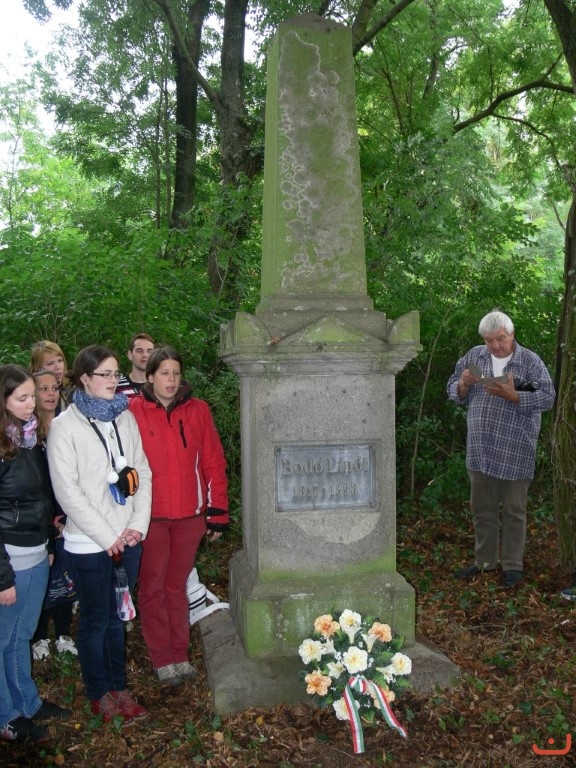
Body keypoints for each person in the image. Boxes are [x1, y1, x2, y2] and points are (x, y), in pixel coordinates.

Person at [46, 345, 152, 723]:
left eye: (115, 373)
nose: (112, 380)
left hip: (129, 538)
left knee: (116, 618)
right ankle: (99, 693)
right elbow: (68, 493)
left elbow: (142, 471)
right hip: (89, 543)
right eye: (104, 374)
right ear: (85, 379)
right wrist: (108, 537)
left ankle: (119, 688)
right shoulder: (64, 427)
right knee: (95, 620)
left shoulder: (125, 418)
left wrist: (138, 525)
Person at [129, 346, 228, 686]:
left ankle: (179, 653)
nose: (170, 380)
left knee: (176, 585)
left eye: (175, 373)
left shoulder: (198, 410)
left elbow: (213, 461)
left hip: (189, 517)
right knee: (152, 588)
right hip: (150, 519)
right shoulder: (133, 411)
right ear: (150, 376)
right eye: (164, 373)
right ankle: (162, 658)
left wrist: (217, 513)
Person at [447, 310, 555, 589]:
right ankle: (484, 562)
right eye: (489, 340)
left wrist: (515, 396)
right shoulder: (475, 357)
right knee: (482, 510)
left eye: (500, 339)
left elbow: (548, 396)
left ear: (511, 334)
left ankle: (512, 567)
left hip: (515, 449)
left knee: (514, 512)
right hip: (480, 449)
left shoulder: (529, 361)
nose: (495, 345)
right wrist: (463, 384)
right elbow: (452, 388)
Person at [0, 365, 71, 744]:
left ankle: (27, 703)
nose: (32, 404)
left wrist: (48, 544)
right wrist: (2, 578)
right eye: (22, 398)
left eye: (33, 395)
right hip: (10, 560)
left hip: (36, 552)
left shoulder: (29, 440)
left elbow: (42, 499)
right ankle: (6, 715)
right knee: (3, 639)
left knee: (22, 635)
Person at [31, 370, 77, 660]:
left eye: (54, 388)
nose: (50, 394)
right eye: (43, 389)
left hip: (67, 514)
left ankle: (63, 632)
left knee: (64, 576)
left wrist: (67, 515)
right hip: (40, 518)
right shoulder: (26, 433)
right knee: (42, 578)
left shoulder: (68, 425)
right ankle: (38, 636)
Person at [29, 341, 70, 411]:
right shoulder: (29, 398)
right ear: (38, 368)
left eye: (60, 360)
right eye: (50, 363)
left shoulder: (69, 392)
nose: (58, 367)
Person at [116, 333, 155, 399]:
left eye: (149, 351)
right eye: (139, 351)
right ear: (130, 355)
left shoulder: (161, 386)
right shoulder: (116, 387)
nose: (145, 355)